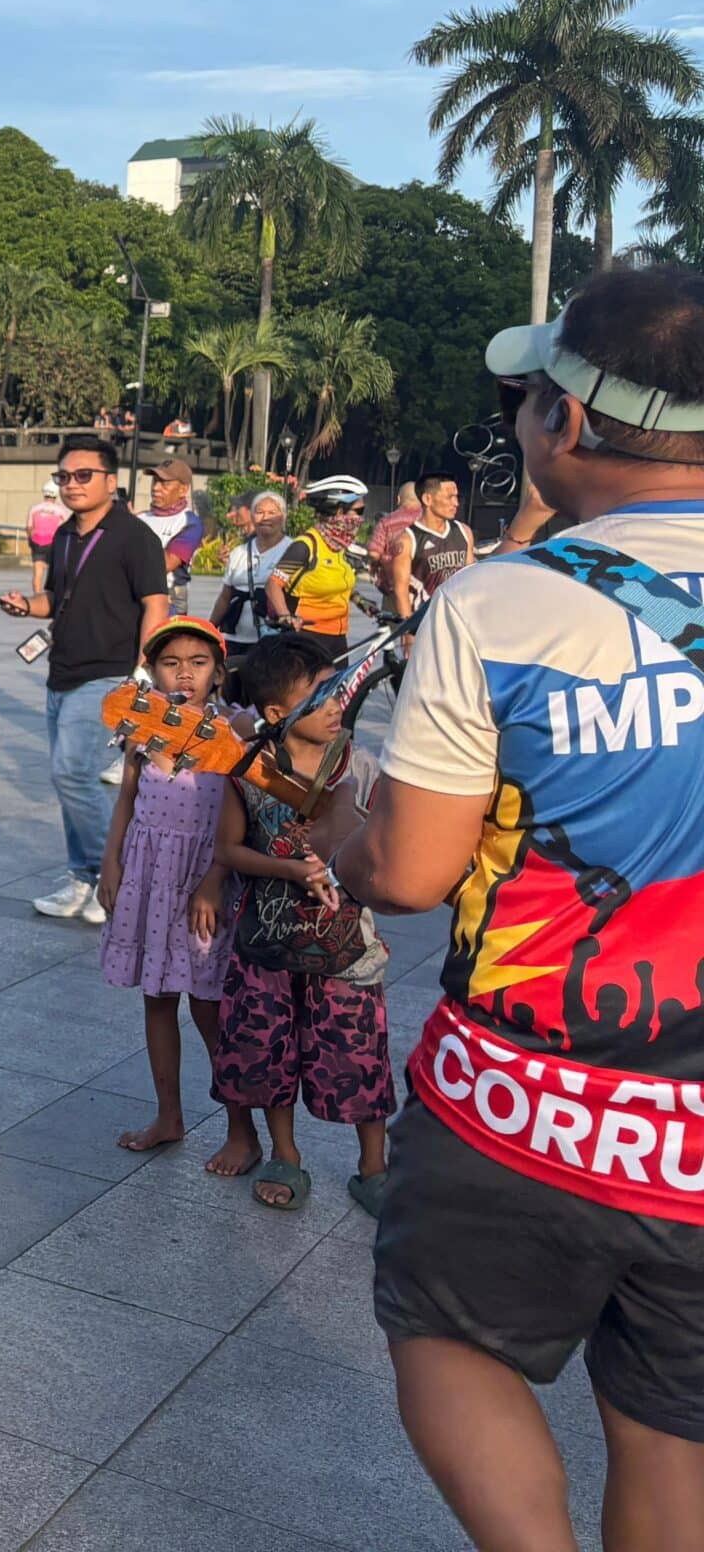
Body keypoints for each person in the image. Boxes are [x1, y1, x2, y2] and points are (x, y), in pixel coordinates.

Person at [336, 265, 704, 1552]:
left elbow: (408, 876)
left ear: (575, 424)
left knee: (446, 1339)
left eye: (533, 396)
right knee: (674, 1426)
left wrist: (333, 815)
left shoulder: (499, 602)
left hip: (532, 1103)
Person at [204, 632, 393, 1215]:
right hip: (265, 941)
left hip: (345, 948)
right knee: (268, 1053)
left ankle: (373, 1167)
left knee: (358, 1056)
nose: (338, 705)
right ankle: (285, 1153)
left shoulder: (360, 766)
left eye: (337, 692)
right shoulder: (248, 771)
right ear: (277, 713)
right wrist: (287, 867)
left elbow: (384, 839)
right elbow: (230, 849)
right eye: (321, 695)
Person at [97, 619, 256, 1169]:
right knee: (157, 998)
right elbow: (127, 798)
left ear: (218, 670)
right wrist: (111, 861)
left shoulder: (235, 727)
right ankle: (169, 1115)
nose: (184, 673)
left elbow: (244, 814)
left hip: (203, 881)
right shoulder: (142, 726)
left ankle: (243, 1131)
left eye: (198, 662)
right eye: (171, 663)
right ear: (153, 671)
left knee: (210, 1006)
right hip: (147, 871)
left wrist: (215, 876)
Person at [0, 435, 170, 922]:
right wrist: (26, 605)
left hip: (109, 675)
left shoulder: (135, 538)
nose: (71, 484)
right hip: (61, 671)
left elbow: (155, 606)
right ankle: (83, 877)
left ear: (110, 482)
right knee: (69, 779)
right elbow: (56, 598)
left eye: (83, 475)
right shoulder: (65, 536)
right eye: (64, 476)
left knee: (72, 773)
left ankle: (113, 876)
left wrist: (142, 672)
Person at [263, 474, 366, 661]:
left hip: (337, 637)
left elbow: (342, 586)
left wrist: (364, 604)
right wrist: (286, 616)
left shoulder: (339, 547)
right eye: (359, 511)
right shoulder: (306, 546)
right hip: (307, 636)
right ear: (340, 512)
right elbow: (273, 584)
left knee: (338, 690)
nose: (361, 518)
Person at [379, 471, 474, 621]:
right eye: (450, 497)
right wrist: (409, 631)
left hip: (459, 619)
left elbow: (471, 579)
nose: (456, 503)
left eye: (457, 497)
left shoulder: (464, 532)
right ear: (427, 499)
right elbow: (401, 591)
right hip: (426, 621)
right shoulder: (407, 540)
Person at [210, 489, 293, 653]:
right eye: (259, 512)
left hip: (273, 640)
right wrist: (210, 628)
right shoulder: (238, 552)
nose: (265, 518)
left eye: (272, 512)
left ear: (283, 517)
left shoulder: (293, 550)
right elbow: (225, 597)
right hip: (234, 639)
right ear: (252, 517)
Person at [135, 458, 206, 616]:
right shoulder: (139, 518)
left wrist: (133, 534)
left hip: (169, 603)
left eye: (165, 484)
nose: (156, 488)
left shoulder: (189, 523)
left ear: (182, 490)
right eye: (155, 482)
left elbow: (165, 563)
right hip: (133, 598)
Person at [25, 473, 68, 596]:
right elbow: (67, 526)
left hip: (37, 543)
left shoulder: (34, 508)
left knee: (37, 573)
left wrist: (31, 541)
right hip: (53, 543)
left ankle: (37, 595)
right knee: (53, 571)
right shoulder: (60, 510)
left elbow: (29, 527)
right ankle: (51, 596)